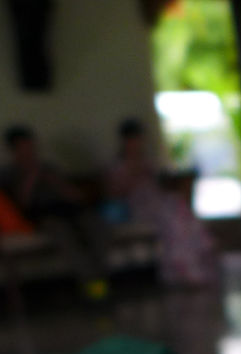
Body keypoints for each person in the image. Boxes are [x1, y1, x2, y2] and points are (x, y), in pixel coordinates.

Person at [0, 124, 110, 299]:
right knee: (64, 235)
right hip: (43, 216)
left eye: (30, 146)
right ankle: (91, 282)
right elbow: (22, 204)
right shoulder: (10, 173)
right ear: (14, 150)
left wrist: (58, 183)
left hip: (69, 210)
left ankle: (99, 276)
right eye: (23, 148)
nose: (29, 152)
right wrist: (32, 177)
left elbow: (76, 196)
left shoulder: (48, 167)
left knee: (96, 225)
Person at [105, 118, 218, 288]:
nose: (136, 143)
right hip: (138, 206)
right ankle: (180, 269)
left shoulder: (147, 161)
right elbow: (114, 193)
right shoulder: (118, 166)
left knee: (178, 207)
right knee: (171, 217)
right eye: (132, 140)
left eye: (138, 139)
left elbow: (159, 185)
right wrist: (133, 175)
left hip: (157, 201)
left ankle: (198, 260)